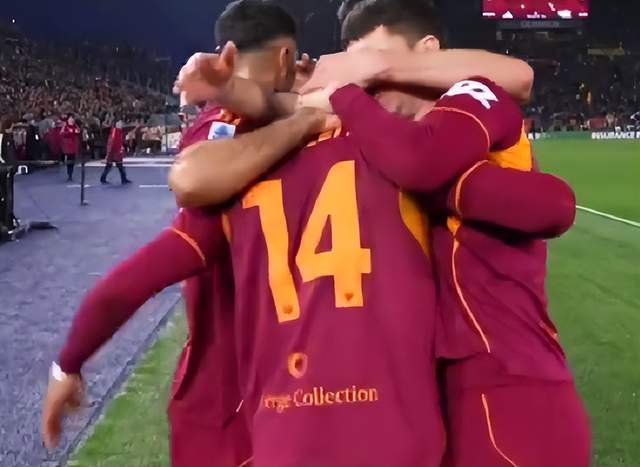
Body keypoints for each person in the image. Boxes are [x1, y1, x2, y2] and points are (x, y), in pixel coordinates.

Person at [173, 0, 590, 465]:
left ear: (426, 52)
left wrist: (365, 79)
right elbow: (289, 107)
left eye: (372, 59)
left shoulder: (463, 106)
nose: (366, 79)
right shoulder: (383, 126)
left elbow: (540, 169)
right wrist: (230, 89)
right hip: (435, 397)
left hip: (512, 385)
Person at [41, 2, 299, 466]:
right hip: (299, 386)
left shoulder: (227, 133)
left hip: (230, 398)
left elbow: (151, 268)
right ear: (285, 57)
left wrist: (69, 361)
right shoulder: (311, 120)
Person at [60, 115, 81, 182]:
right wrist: (69, 132)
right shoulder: (65, 126)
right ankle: (69, 174)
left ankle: (70, 174)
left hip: (74, 145)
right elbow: (62, 133)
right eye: (70, 118)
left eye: (73, 118)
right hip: (67, 146)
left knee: (72, 160)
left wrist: (73, 131)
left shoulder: (76, 126)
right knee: (69, 160)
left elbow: (78, 131)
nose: (72, 120)